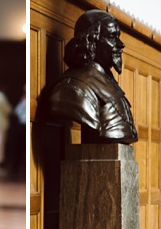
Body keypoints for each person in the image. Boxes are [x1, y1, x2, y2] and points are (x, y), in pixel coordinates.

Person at [39, 8, 137, 143]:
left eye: (118, 37)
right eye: (112, 37)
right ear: (91, 40)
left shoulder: (107, 79)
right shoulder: (72, 86)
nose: (120, 44)